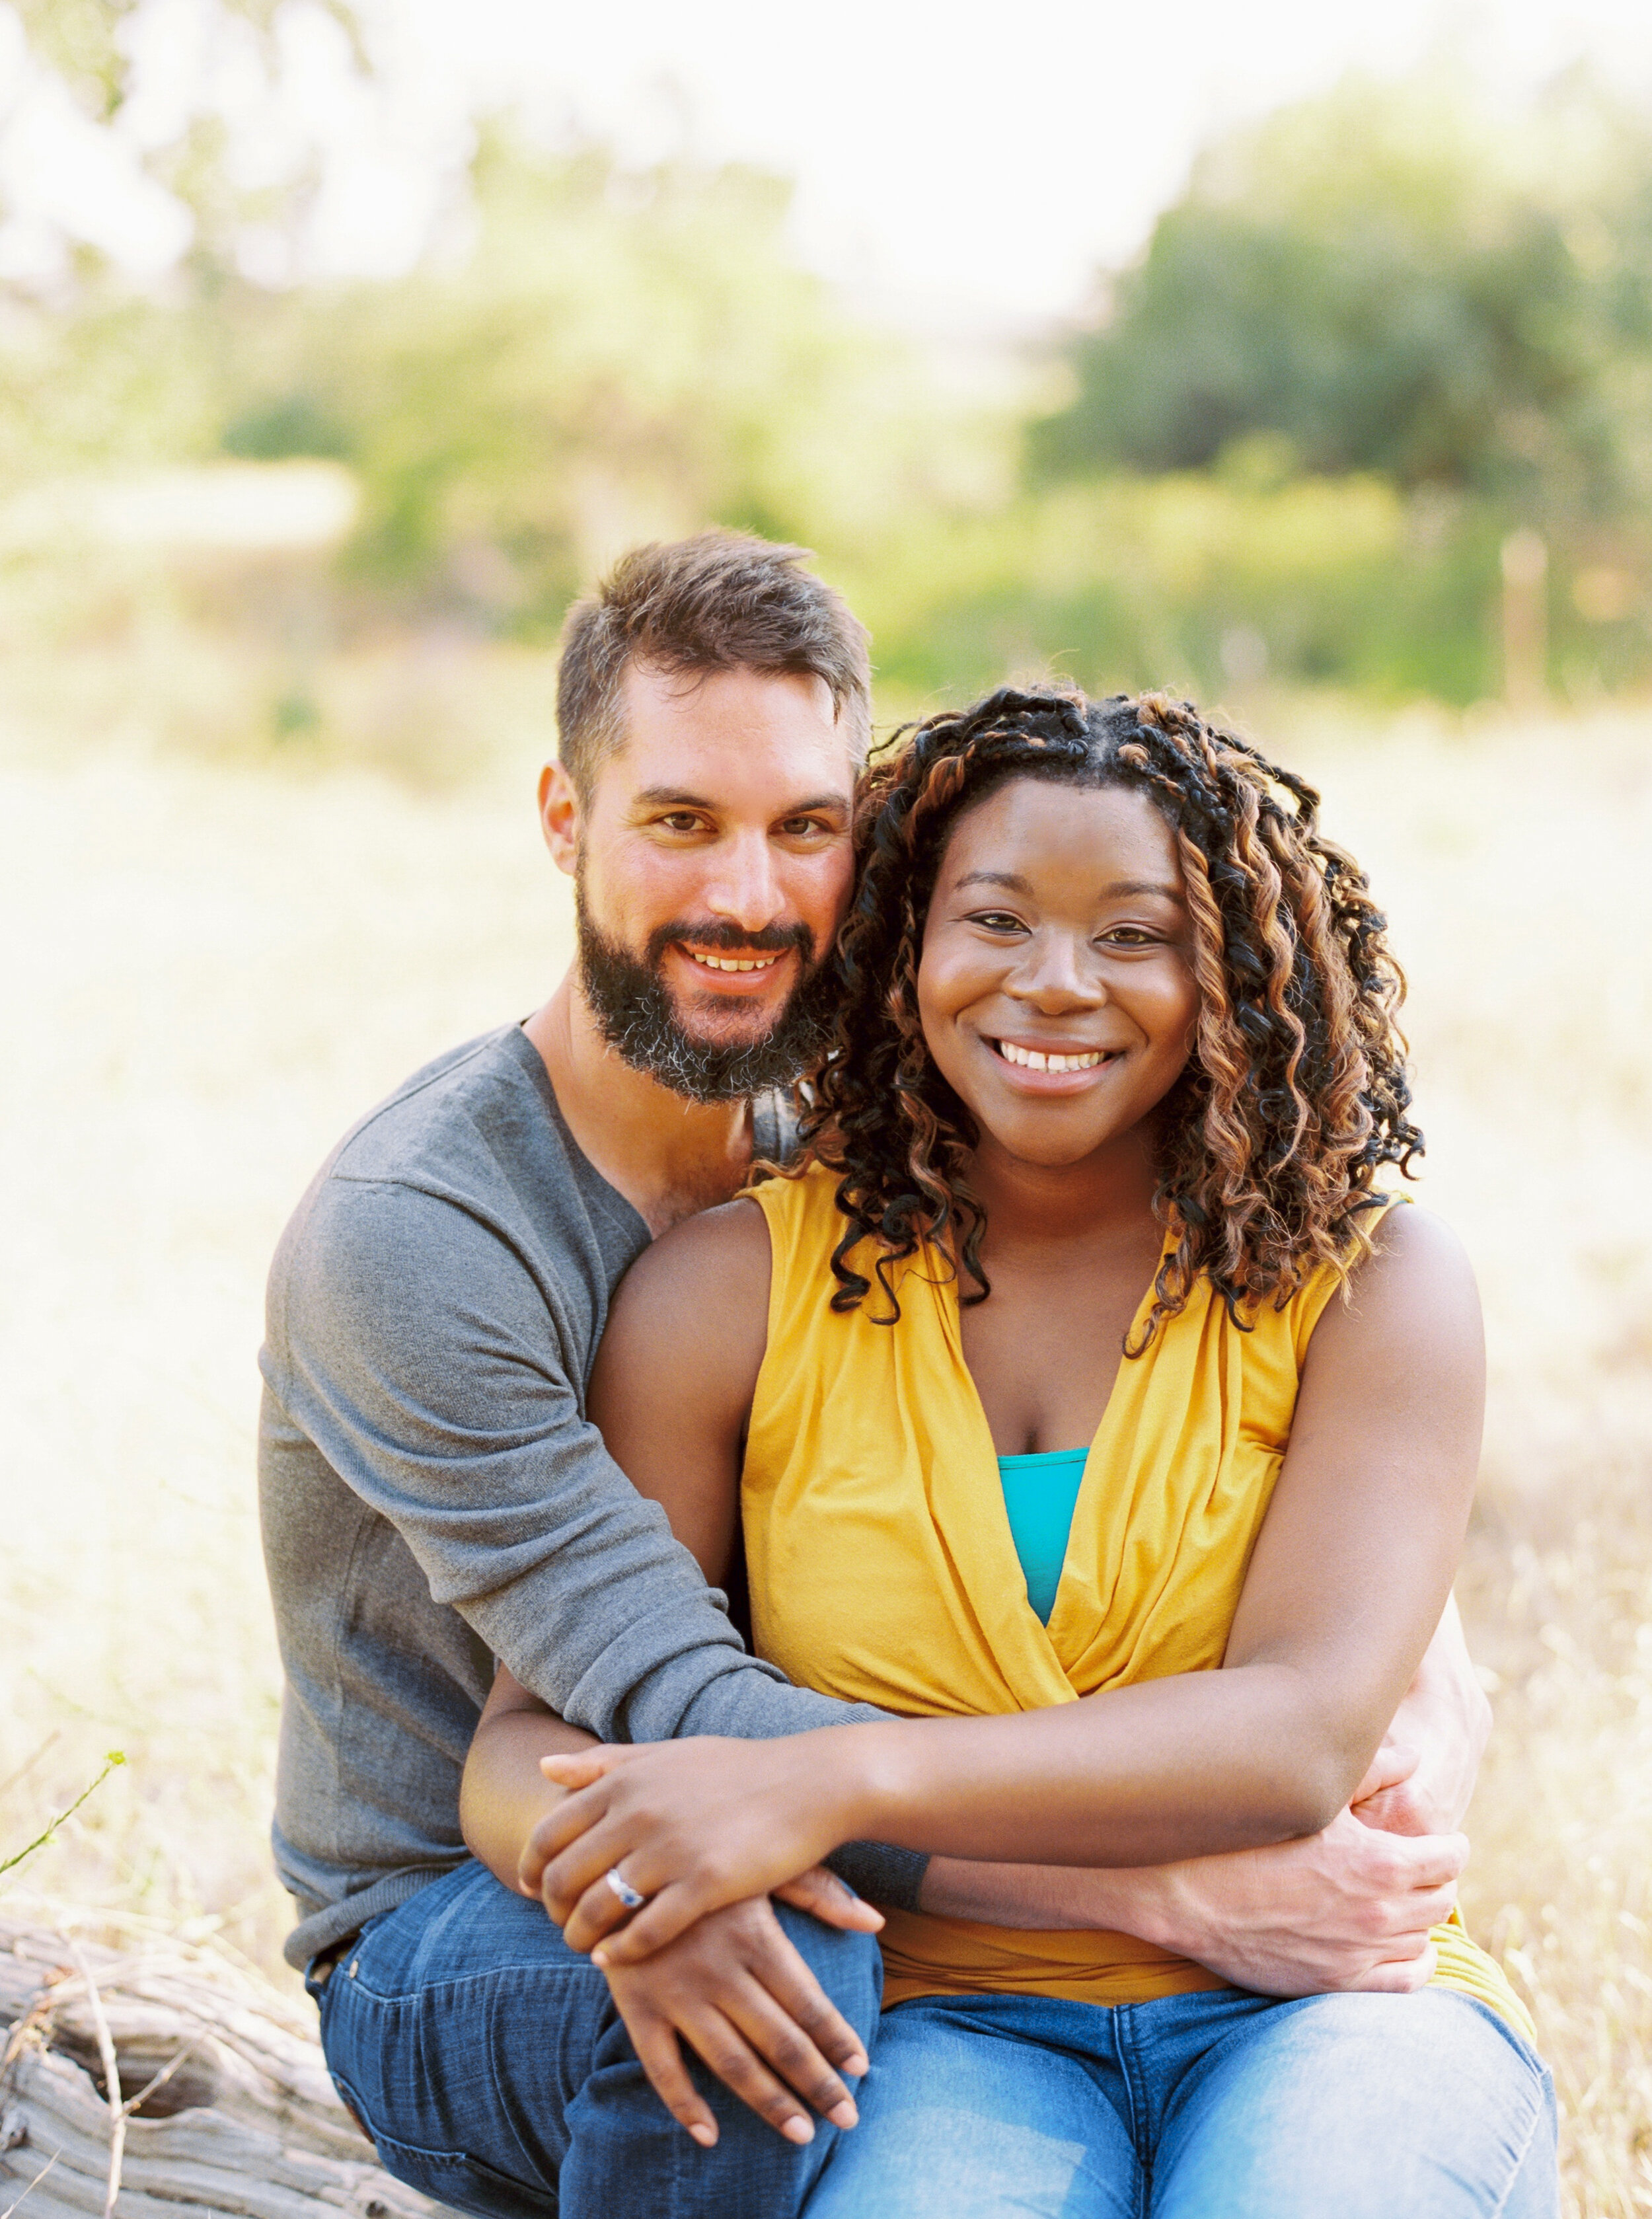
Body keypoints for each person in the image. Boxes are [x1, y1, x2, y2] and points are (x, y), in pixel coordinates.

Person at [260, 533, 1489, 2219]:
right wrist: (1170, 1893)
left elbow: (1311, 1624)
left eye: (803, 829)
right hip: (491, 1910)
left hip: (1129, 1956)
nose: (748, 894)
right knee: (777, 1949)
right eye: (679, 820)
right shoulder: (442, 1238)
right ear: (566, 819)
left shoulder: (859, 1126)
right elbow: (637, 1707)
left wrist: (1412, 1675)